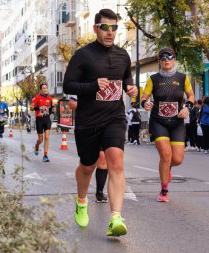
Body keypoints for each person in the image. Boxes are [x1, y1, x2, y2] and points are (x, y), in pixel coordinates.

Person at [63, 8, 138, 237]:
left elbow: (127, 79)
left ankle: (115, 217)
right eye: (105, 27)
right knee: (88, 165)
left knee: (116, 161)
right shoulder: (82, 55)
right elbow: (68, 86)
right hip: (88, 120)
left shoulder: (123, 55)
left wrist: (131, 88)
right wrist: (94, 86)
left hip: (114, 117)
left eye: (114, 28)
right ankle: (82, 201)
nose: (110, 32)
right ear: (96, 28)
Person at [141, 47, 194, 202]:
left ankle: (168, 167)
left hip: (177, 122)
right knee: (165, 155)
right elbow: (144, 97)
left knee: (176, 159)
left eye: (169, 57)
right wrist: (145, 103)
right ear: (159, 62)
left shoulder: (183, 78)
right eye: (163, 58)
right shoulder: (153, 79)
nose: (166, 60)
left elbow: (190, 96)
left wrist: (188, 108)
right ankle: (164, 191)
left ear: (174, 60)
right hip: (158, 121)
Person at [68, 95, 108, 202]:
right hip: (87, 127)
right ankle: (81, 193)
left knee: (103, 158)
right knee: (87, 166)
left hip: (106, 125)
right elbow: (71, 104)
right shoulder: (82, 80)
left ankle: (99, 192)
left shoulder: (110, 80)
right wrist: (91, 106)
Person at [30, 84, 54, 162]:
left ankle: (45, 155)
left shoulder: (50, 98)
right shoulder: (36, 97)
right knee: (41, 140)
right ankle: (37, 146)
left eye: (46, 88)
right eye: (43, 88)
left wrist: (52, 110)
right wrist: (39, 108)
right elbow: (31, 108)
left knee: (47, 137)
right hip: (39, 120)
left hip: (47, 119)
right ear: (40, 90)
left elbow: (50, 110)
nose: (45, 89)